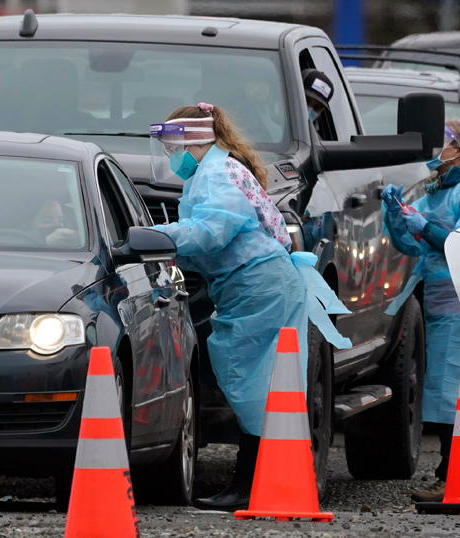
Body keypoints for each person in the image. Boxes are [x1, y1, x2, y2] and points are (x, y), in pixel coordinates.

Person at [149, 103, 350, 511]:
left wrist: (154, 235)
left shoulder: (217, 176)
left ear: (195, 140)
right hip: (262, 284)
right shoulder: (219, 170)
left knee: (251, 382)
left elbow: (209, 233)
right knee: (263, 383)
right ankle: (257, 480)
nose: (172, 157)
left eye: (174, 146)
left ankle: (249, 485)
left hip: (257, 286)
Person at [380, 119, 460, 503]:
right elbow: (411, 244)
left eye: (441, 144)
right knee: (449, 393)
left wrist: (423, 225)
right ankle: (457, 475)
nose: (434, 152)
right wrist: (395, 215)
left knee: (458, 394)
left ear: (459, 150)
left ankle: (453, 477)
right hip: (440, 306)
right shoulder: (437, 190)